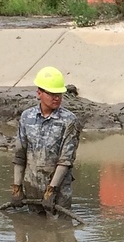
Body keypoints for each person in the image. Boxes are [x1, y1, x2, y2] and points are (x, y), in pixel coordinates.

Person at [11, 66, 82, 213]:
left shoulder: (69, 121)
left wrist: (51, 190)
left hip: (58, 192)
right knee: (35, 230)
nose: (56, 98)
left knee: (60, 230)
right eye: (51, 93)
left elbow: (66, 160)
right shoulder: (26, 117)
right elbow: (19, 155)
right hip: (32, 187)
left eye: (59, 94)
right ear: (39, 93)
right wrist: (17, 188)